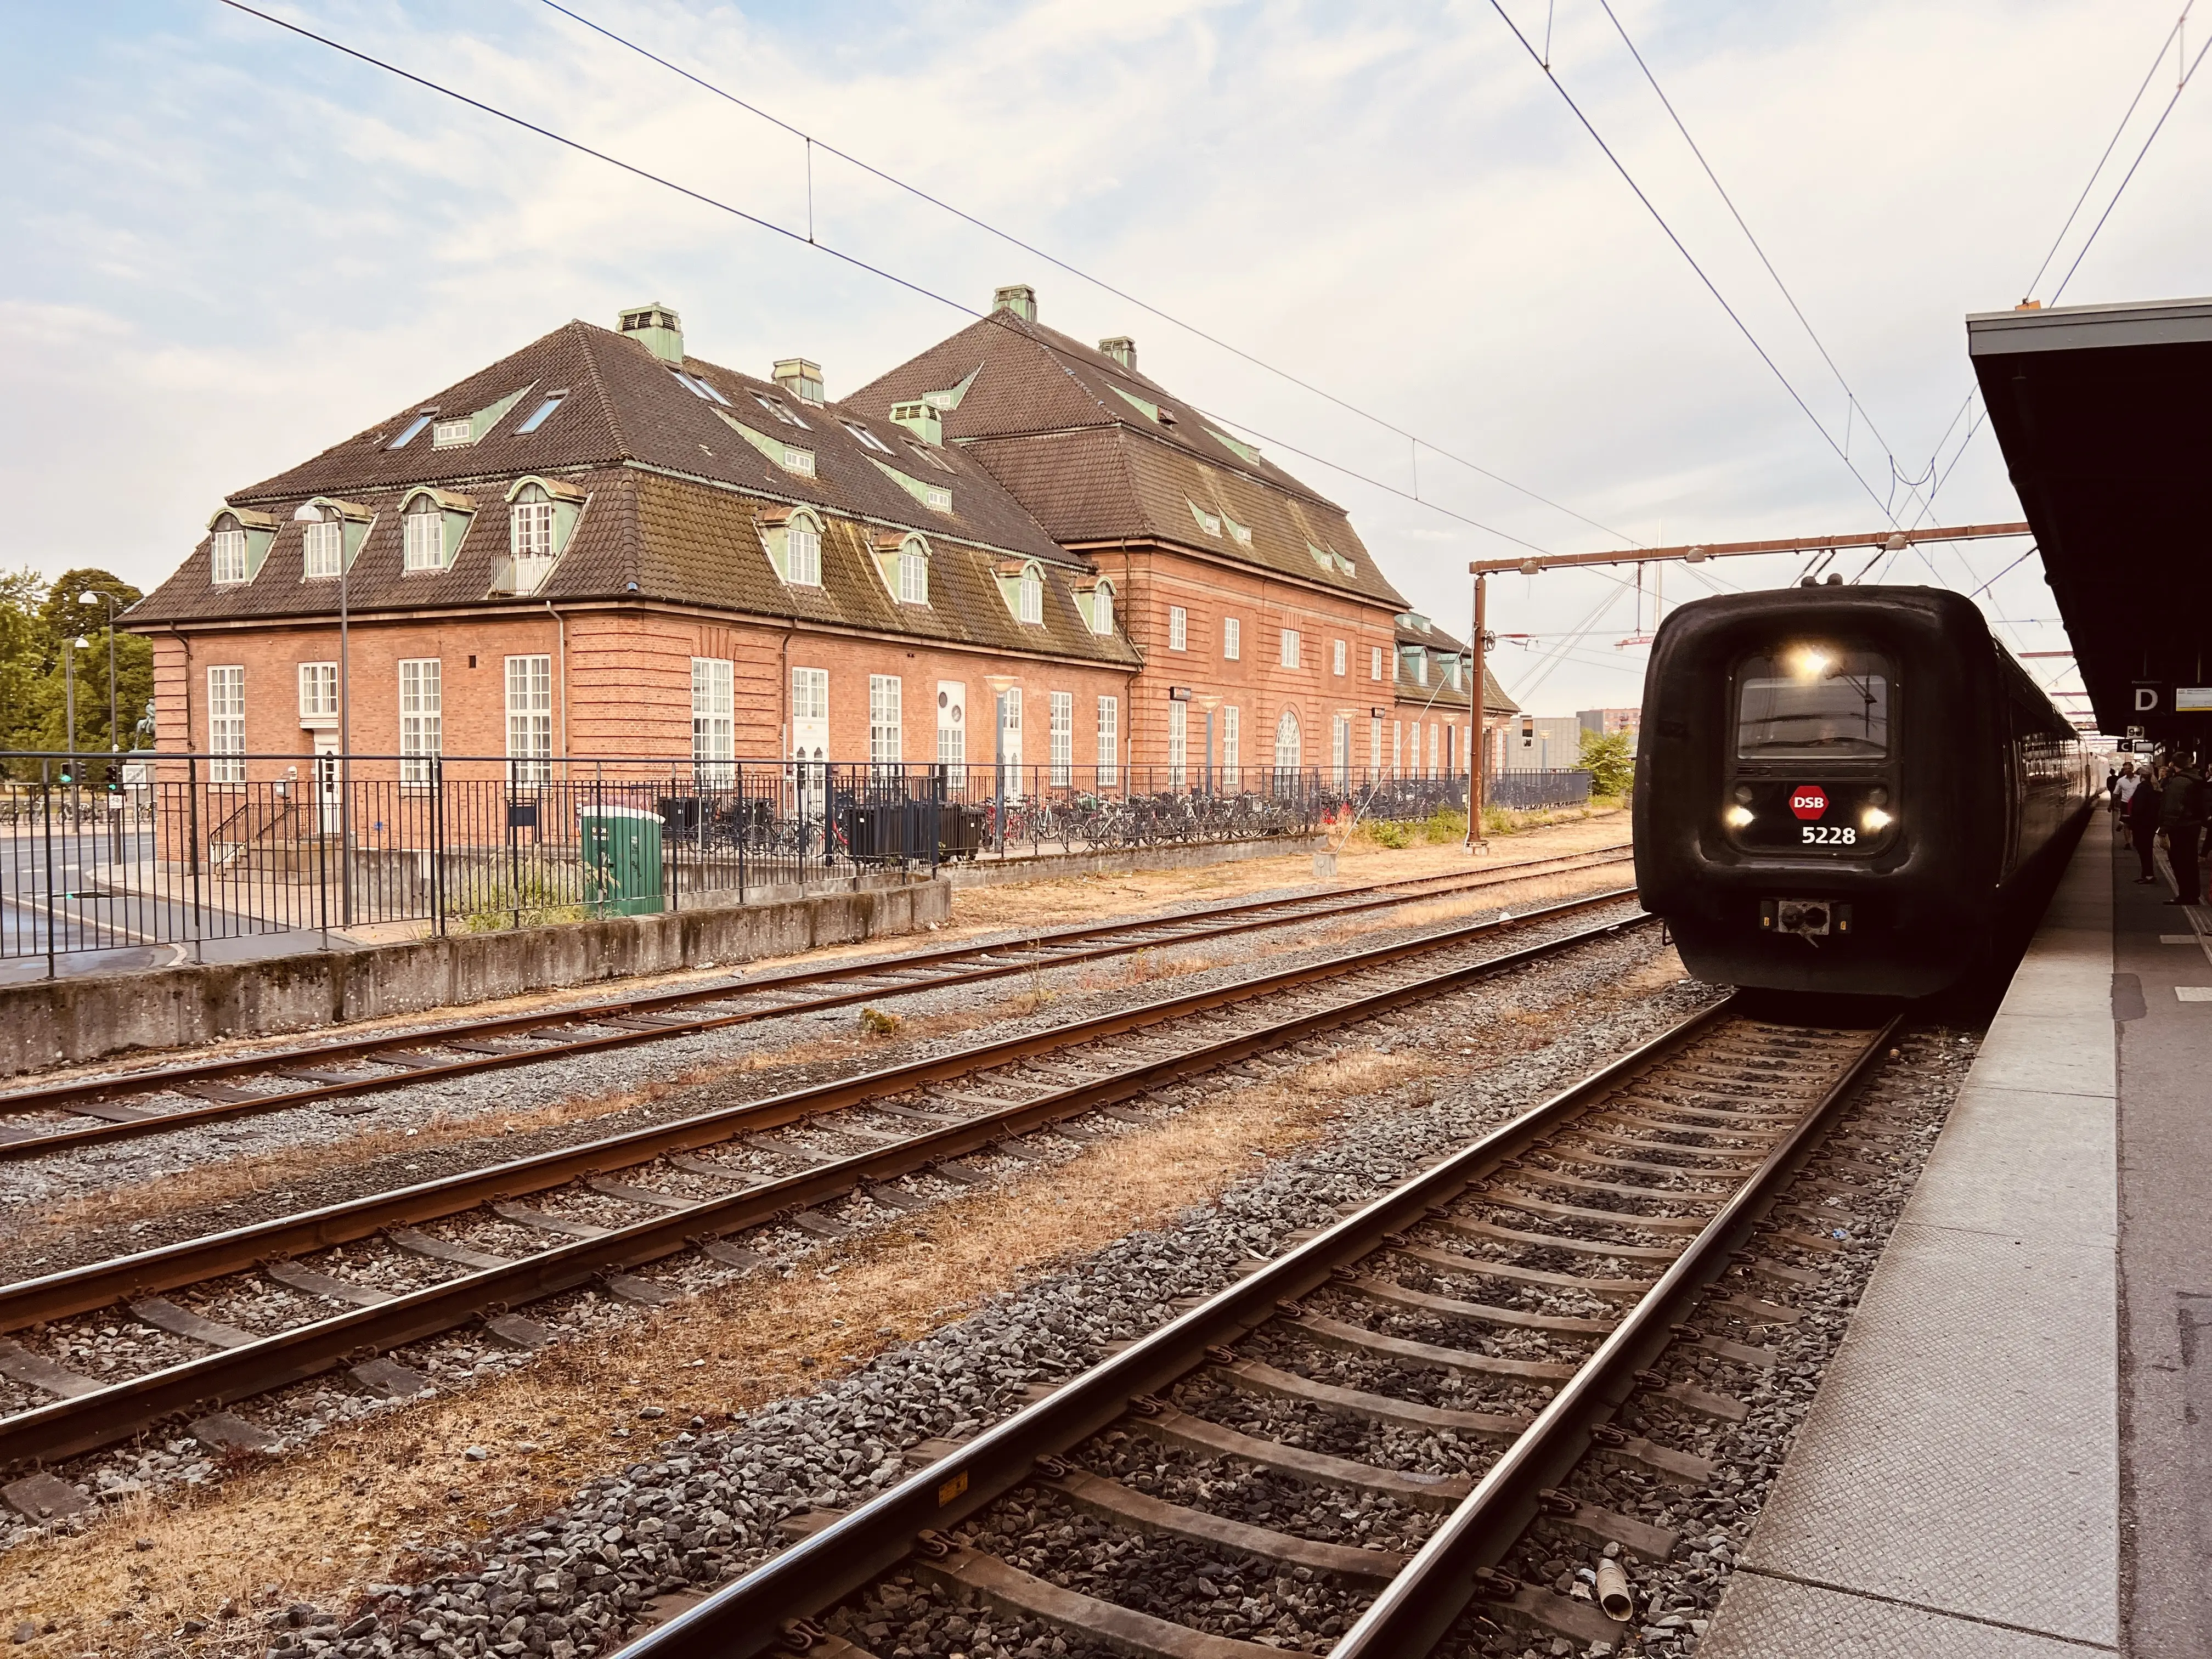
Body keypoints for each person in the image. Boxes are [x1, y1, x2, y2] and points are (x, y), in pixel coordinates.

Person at [2158, 755, 2205, 905]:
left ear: (2173, 764)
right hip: (2193, 825)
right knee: (2190, 862)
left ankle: (2185, 896)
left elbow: (2173, 807)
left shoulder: (2179, 781)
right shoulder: (2195, 778)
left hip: (2181, 827)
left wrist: (2164, 829)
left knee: (2180, 862)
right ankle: (2193, 895)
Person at [2128, 762, 2163, 884]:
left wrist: (2132, 821)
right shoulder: (2153, 787)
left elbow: (2139, 808)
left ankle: (2148, 876)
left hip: (2142, 825)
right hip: (2150, 824)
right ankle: (2146, 875)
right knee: (2146, 850)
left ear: (2142, 776)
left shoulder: (2142, 788)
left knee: (2144, 850)